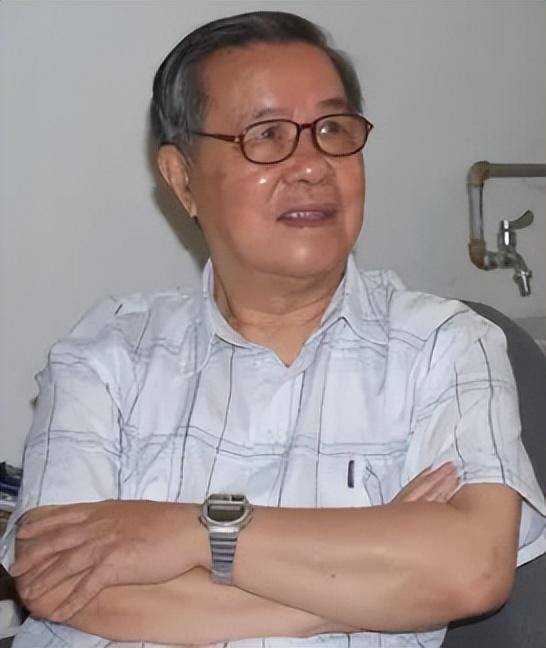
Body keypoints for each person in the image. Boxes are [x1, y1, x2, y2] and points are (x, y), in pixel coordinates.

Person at [1, 10, 544, 648]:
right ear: (181, 178)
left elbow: (471, 569)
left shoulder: (445, 344)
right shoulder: (107, 352)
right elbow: (57, 585)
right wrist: (367, 587)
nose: (312, 166)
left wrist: (193, 531)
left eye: (333, 129)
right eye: (266, 135)